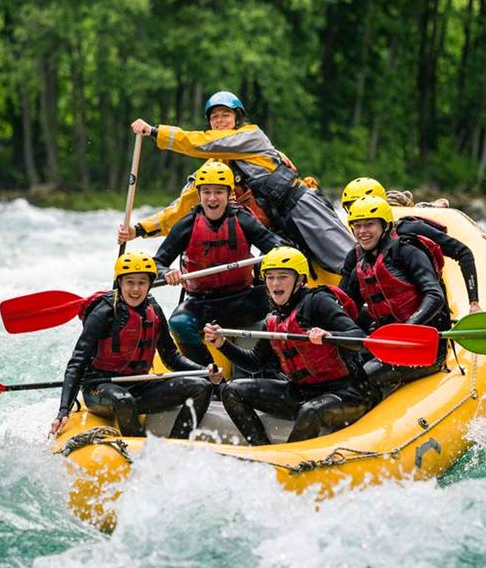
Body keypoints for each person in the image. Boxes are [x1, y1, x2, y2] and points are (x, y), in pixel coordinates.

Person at [120, 90, 355, 273]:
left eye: (225, 115)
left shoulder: (251, 136)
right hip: (275, 228)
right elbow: (182, 207)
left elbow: (199, 143)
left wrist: (154, 131)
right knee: (293, 272)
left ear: (237, 119)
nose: (220, 121)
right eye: (215, 117)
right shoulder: (214, 169)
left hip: (300, 206)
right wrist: (139, 229)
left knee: (345, 259)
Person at [203, 247, 372, 445]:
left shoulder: (318, 302)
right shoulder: (273, 319)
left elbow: (360, 339)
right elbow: (255, 363)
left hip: (346, 393)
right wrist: (222, 344)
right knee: (232, 390)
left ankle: (289, 466)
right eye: (270, 277)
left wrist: (330, 335)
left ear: (300, 279)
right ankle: (262, 450)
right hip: (300, 392)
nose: (275, 283)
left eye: (283, 277)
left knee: (310, 411)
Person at [51, 252, 220, 439]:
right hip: (100, 387)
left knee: (201, 387)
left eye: (142, 282)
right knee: (123, 400)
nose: (136, 289)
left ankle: (177, 445)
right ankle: (139, 451)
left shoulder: (153, 309)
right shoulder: (104, 312)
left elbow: (171, 356)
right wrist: (64, 410)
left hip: (138, 385)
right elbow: (77, 363)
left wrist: (204, 370)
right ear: (120, 283)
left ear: (149, 284)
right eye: (130, 282)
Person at [152, 159, 286, 366]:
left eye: (218, 192)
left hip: (244, 300)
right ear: (199, 194)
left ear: (229, 194)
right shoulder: (187, 225)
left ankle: (259, 373)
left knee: (273, 317)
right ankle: (208, 376)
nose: (212, 198)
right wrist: (166, 273)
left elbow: (278, 250)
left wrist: (270, 265)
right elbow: (157, 264)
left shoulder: (243, 220)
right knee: (179, 322)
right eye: (206, 192)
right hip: (203, 303)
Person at [339, 195, 450, 396]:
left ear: (385, 226)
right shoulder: (361, 266)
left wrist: (408, 329)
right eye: (357, 226)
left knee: (363, 376)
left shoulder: (407, 251)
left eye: (369, 225)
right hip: (387, 345)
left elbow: (435, 295)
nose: (362, 232)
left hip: (423, 347)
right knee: (345, 368)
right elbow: (346, 311)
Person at [341, 177, 481, 314]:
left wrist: (474, 303)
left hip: (427, 314)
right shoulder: (358, 253)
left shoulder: (410, 230)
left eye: (369, 222)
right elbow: (343, 299)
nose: (359, 211)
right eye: (352, 208)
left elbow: (463, 252)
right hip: (388, 320)